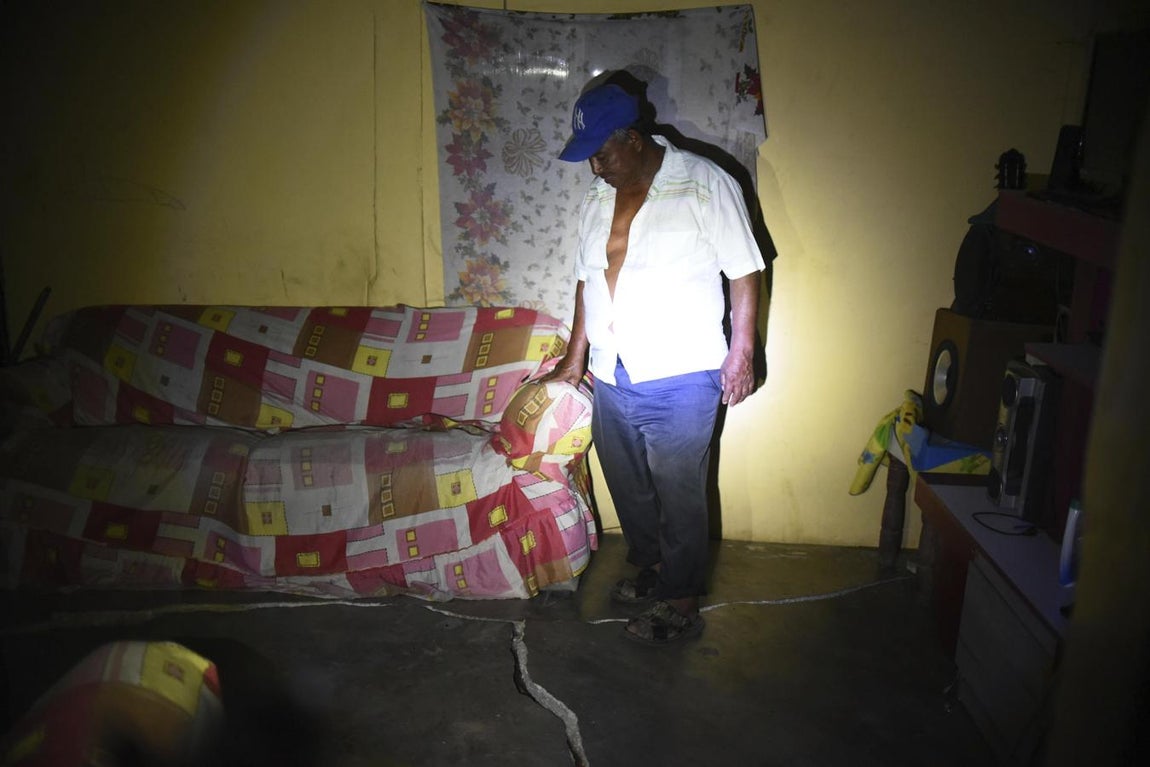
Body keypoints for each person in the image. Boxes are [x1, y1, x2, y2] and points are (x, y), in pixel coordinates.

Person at [545, 80, 765, 644]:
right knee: (628, 481)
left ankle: (682, 598)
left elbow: (745, 268)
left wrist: (742, 351)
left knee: (678, 489)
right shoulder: (597, 199)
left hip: (682, 371)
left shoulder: (703, 183)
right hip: (614, 370)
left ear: (635, 139)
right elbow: (585, 280)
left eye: (602, 153)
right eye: (591, 156)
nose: (596, 168)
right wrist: (576, 360)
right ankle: (651, 569)